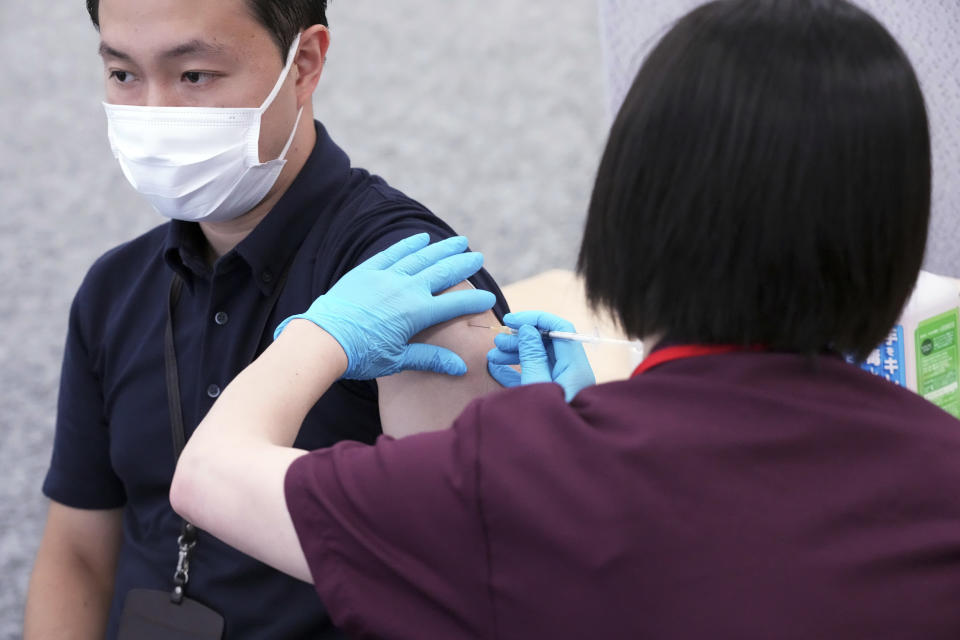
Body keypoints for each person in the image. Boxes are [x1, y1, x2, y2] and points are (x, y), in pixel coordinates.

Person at [171, 0, 960, 637]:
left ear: (630, 212)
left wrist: (322, 333)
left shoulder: (520, 481)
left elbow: (211, 477)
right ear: (894, 234)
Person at [24, 1, 508, 638]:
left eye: (194, 75)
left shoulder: (414, 290)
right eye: (122, 74)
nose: (152, 112)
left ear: (303, 63)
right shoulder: (115, 291)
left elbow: (459, 588)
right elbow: (79, 553)